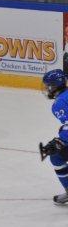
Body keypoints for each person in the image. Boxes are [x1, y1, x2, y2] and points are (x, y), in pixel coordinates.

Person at [40, 69, 68, 204]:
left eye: (48, 86)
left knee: (56, 156)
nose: (47, 89)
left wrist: (61, 141)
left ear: (54, 86)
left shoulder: (60, 103)